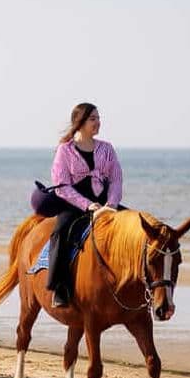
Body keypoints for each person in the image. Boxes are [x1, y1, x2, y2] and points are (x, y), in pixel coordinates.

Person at [47, 102, 124, 307]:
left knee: (137, 226)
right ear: (79, 122)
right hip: (74, 204)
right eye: (93, 119)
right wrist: (88, 205)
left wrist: (112, 205)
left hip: (106, 203)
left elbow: (116, 180)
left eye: (99, 118)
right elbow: (61, 186)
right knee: (60, 233)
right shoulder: (65, 150)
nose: (98, 122)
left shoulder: (107, 149)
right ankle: (59, 287)